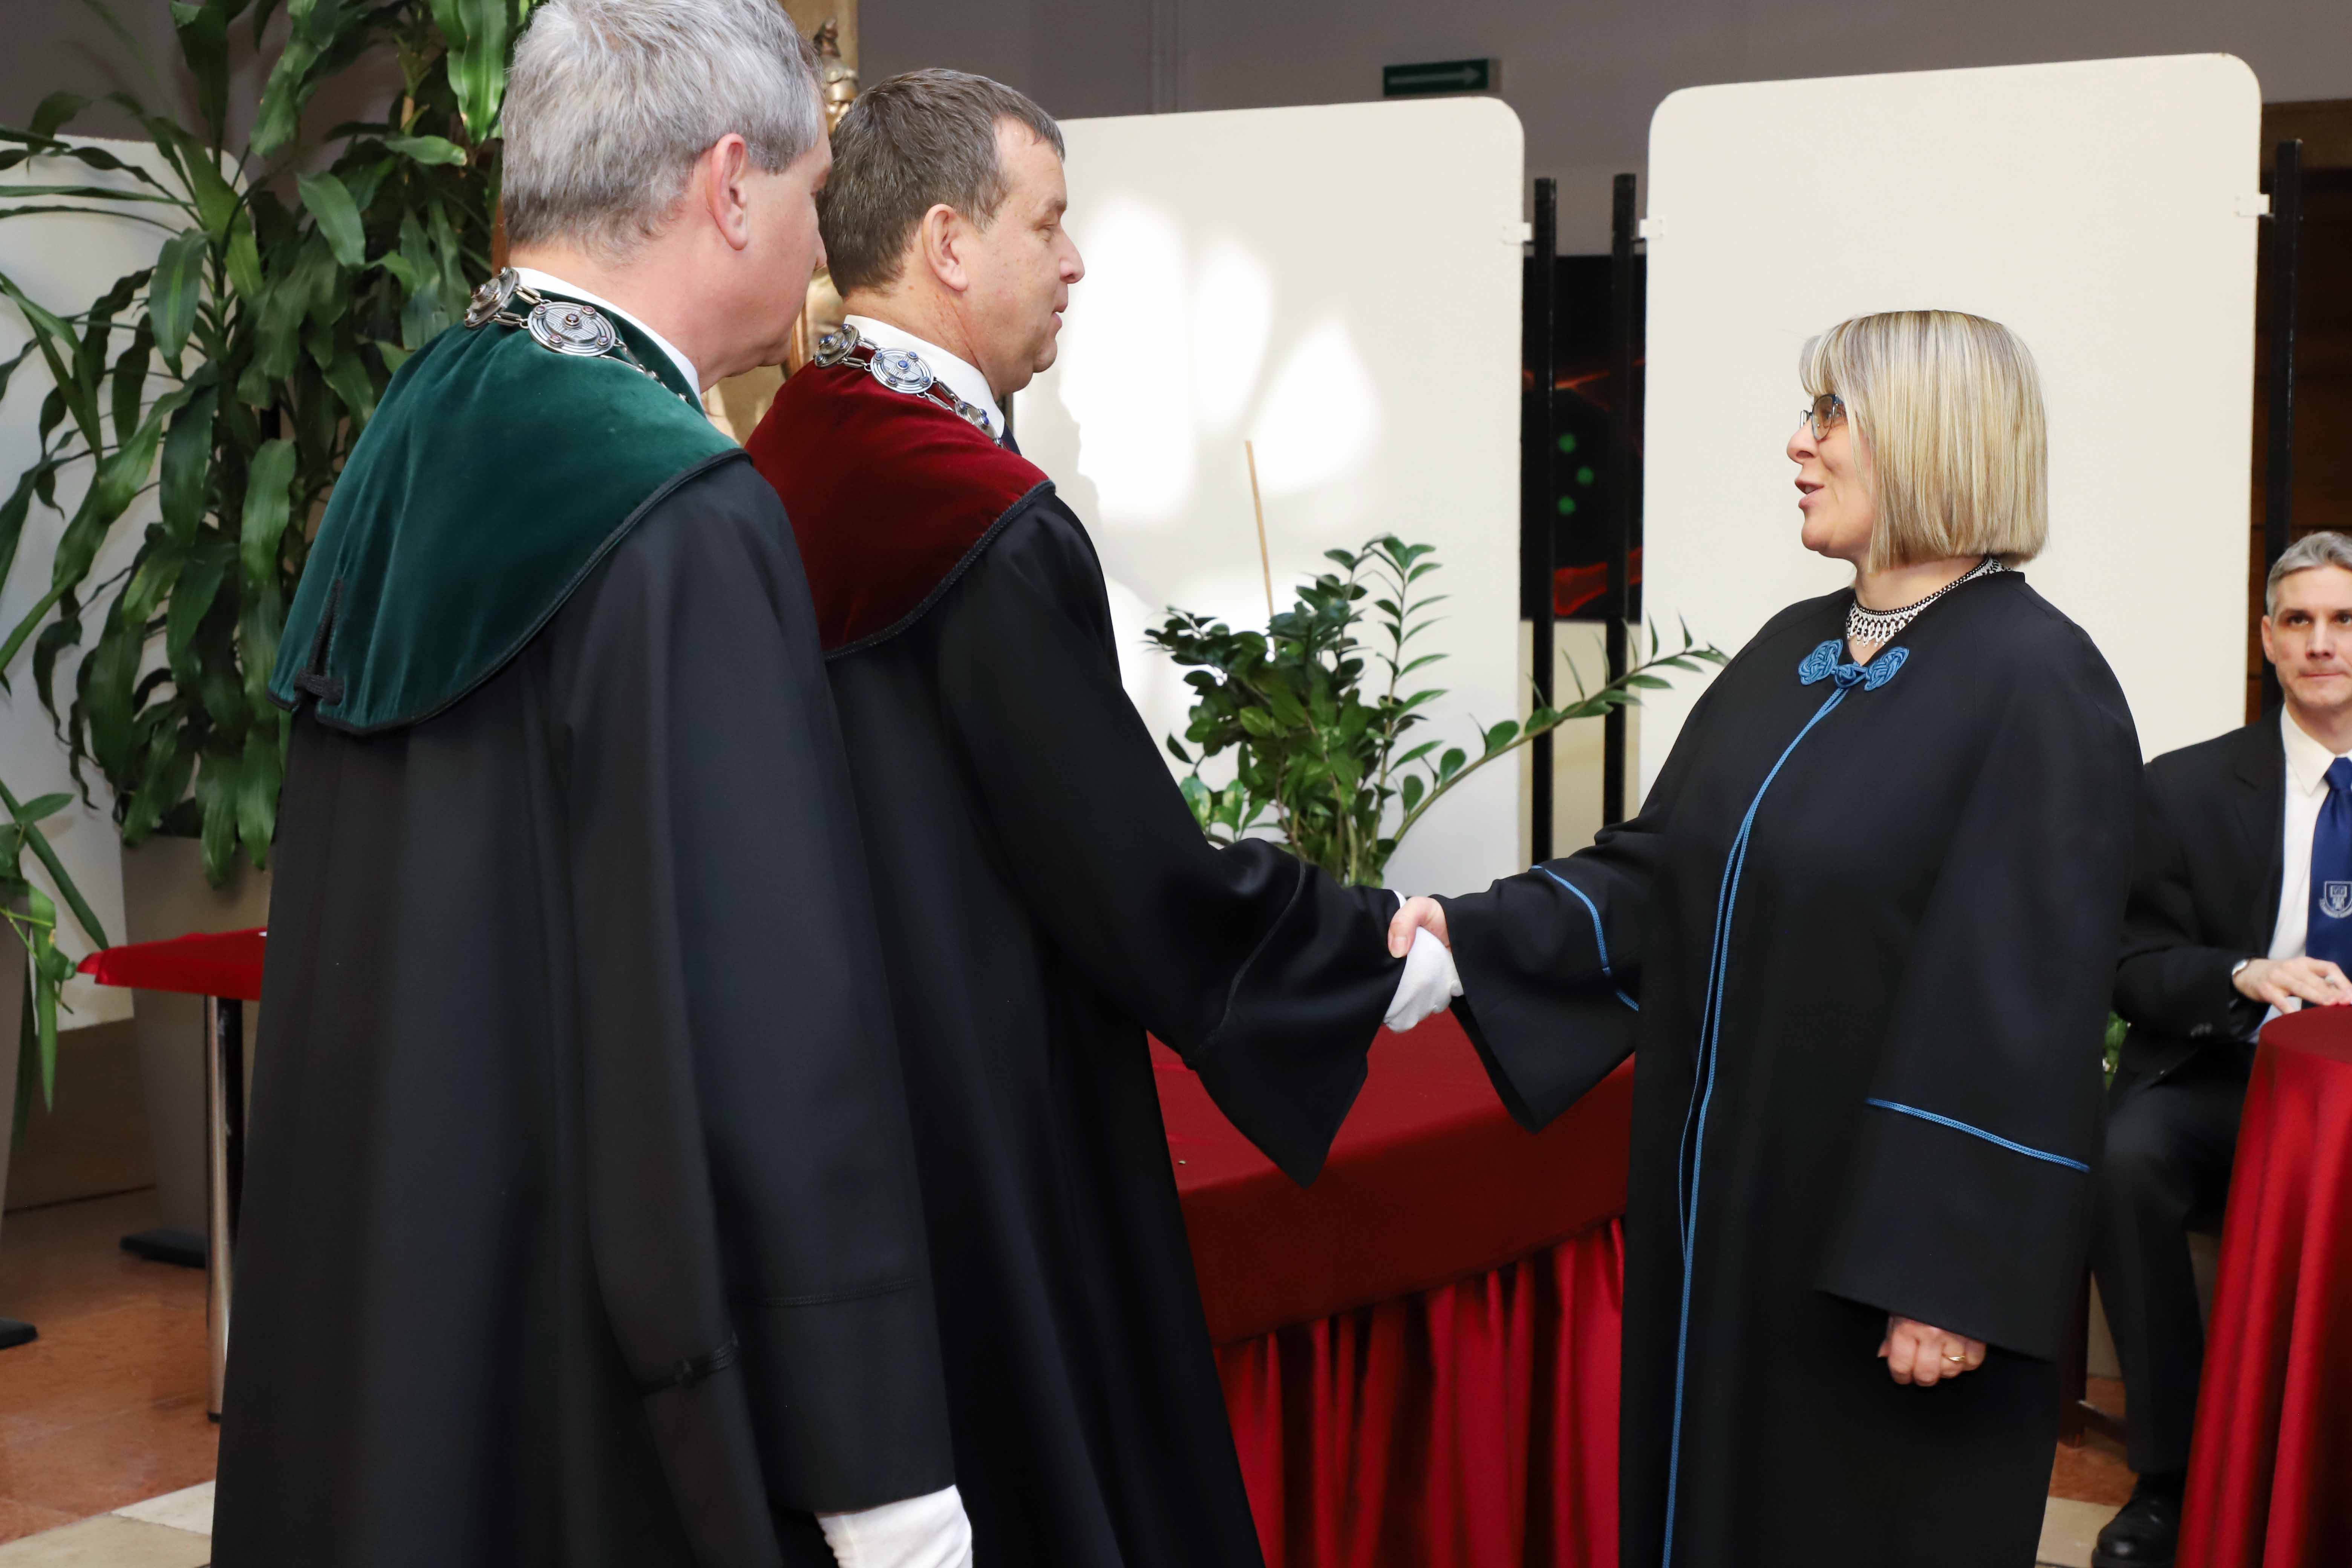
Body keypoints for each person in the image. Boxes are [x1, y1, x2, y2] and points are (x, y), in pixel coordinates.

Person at [211, 5, 971, 1565]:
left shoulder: (416, 424)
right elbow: (773, 1023)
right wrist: (879, 1466)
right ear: (730, 185)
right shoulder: (680, 508)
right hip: (592, 1373)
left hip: (405, 1327)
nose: (823, 246)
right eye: (816, 190)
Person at [743, 69, 1450, 1568]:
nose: (1073, 263)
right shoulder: (975, 517)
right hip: (996, 1110)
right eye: (1048, 223)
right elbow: (1131, 880)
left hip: (833, 1110)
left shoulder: (780, 464)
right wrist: (1360, 949)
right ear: (949, 243)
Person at [1391, 310, 2140, 1567]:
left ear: (1931, 435)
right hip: (1732, 1223)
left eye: (1831, 415)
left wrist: (1946, 1274)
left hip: (1884, 1266)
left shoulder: (2039, 677)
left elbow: (2020, 998)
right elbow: (1663, 869)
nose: (1800, 443)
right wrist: (1467, 935)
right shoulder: (1794, 647)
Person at [2092, 530, 2352, 1568]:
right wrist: (2241, 974)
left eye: (2346, 620)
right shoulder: (2186, 787)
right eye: (2300, 621)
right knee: (2126, 1159)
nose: (2323, 642)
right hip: (2237, 1076)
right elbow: (2130, 962)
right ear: (2269, 639)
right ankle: (2172, 1479)